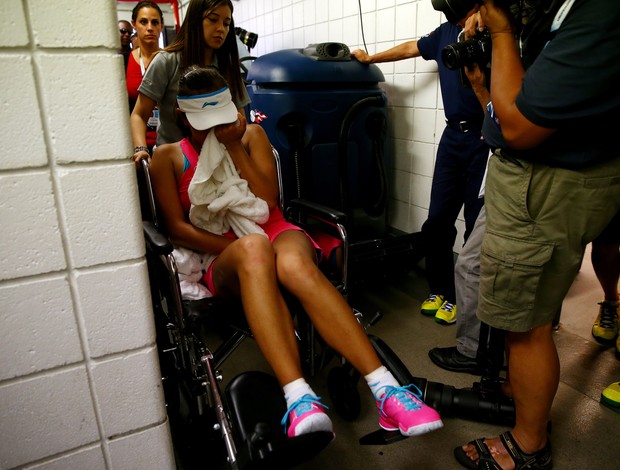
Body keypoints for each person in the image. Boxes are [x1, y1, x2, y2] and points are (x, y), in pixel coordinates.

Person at [149, 65, 445, 439]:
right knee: (255, 247)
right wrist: (238, 247)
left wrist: (235, 146)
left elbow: (269, 199)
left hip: (273, 228)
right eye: (203, 123)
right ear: (181, 116)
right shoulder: (169, 157)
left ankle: (387, 390)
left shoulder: (251, 136)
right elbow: (177, 228)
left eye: (219, 119)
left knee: (290, 261)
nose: (213, 130)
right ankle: (298, 395)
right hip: (224, 252)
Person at [451, 0, 620, 469]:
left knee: (526, 324)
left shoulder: (598, 12)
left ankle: (528, 444)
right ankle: (523, 393)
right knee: (528, 315)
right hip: (556, 179)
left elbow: (519, 126)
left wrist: (503, 32)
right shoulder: (569, 11)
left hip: (544, 184)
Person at [351, 8, 489, 326]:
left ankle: (463, 299)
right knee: (437, 221)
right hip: (452, 136)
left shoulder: (489, 33)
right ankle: (441, 290)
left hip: (483, 138)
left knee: (473, 224)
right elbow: (410, 47)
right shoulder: (443, 33)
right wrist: (370, 59)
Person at [130, 0, 250, 164]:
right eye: (213, 20)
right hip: (176, 162)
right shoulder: (167, 62)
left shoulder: (228, 67)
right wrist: (141, 150)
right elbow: (139, 115)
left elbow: (240, 120)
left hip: (221, 159)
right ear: (195, 20)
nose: (221, 29)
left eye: (226, 23)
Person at [126, 1, 164, 153]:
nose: (150, 28)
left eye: (155, 22)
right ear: (134, 24)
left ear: (161, 26)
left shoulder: (172, 61)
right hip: (136, 144)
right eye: (143, 22)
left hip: (169, 142)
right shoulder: (123, 62)